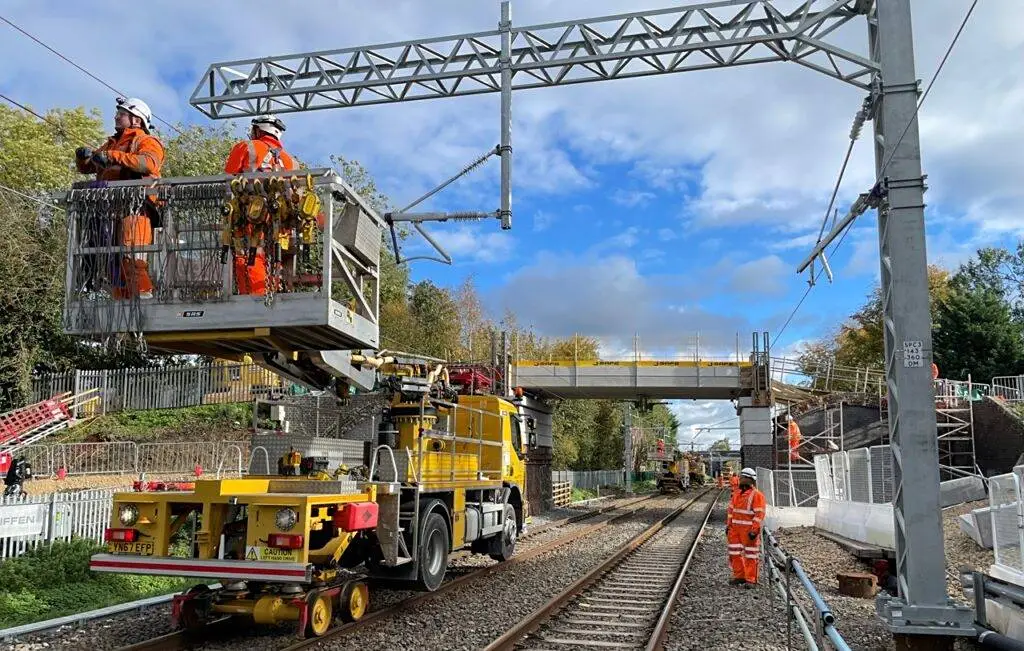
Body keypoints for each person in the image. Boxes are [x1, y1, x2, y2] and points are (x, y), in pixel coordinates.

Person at [75, 97, 165, 299]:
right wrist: (83, 158)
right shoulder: (112, 143)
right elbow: (89, 167)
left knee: (131, 258)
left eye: (122, 114)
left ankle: (144, 298)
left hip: (135, 208)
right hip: (109, 209)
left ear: (136, 120)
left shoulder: (146, 141)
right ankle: (121, 304)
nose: (116, 117)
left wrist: (113, 156)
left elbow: (148, 164)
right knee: (112, 261)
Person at [224, 115, 296, 296]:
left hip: (250, 213)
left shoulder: (247, 147)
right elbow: (297, 195)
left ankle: (254, 297)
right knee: (274, 257)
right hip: (281, 220)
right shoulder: (292, 161)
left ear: (258, 130)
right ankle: (271, 293)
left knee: (249, 254)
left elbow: (227, 179)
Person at [725, 467, 766, 588]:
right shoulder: (737, 493)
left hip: (748, 531)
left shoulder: (757, 495)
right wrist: (729, 525)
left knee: (751, 555)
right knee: (734, 553)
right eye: (741, 477)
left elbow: (759, 515)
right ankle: (740, 576)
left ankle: (751, 579)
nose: (740, 479)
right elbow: (731, 511)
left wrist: (754, 530)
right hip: (735, 530)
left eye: (743, 477)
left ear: (750, 480)